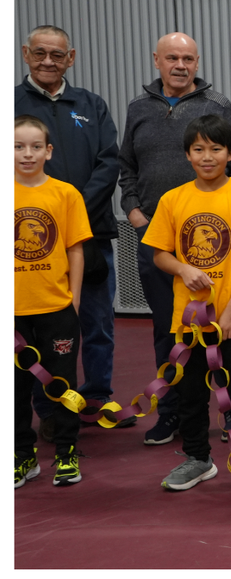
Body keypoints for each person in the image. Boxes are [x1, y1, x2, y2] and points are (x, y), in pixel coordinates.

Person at [119, 32, 231, 447]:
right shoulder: (139, 109)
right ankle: (173, 413)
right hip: (159, 241)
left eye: (188, 59)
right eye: (172, 58)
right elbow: (126, 165)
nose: (180, 65)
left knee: (227, 336)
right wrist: (134, 211)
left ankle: (230, 415)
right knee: (169, 329)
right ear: (156, 61)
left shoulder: (217, 107)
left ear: (197, 63)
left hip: (217, 247)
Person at [142, 115, 231, 491]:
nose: (207, 156)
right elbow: (159, 254)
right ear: (187, 154)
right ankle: (198, 459)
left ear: (230, 153)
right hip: (188, 320)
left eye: (216, 148)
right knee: (190, 391)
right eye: (199, 149)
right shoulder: (173, 199)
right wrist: (183, 269)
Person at [15, 25, 127, 438]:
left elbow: (109, 162)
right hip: (28, 246)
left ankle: (97, 395)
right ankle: (48, 408)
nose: (48, 61)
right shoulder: (11, 103)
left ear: (71, 58)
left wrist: (70, 210)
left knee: (96, 321)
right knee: (38, 329)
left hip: (91, 235)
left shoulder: (91, 104)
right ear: (26, 53)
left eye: (57, 54)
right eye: (40, 53)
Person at [14, 115, 92, 488]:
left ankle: (66, 453)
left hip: (56, 309)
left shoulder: (65, 194)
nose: (26, 154)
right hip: (14, 315)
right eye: (17, 146)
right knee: (14, 389)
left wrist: (73, 301)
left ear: (48, 151)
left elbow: (75, 250)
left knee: (62, 384)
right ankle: (22, 456)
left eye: (34, 147)